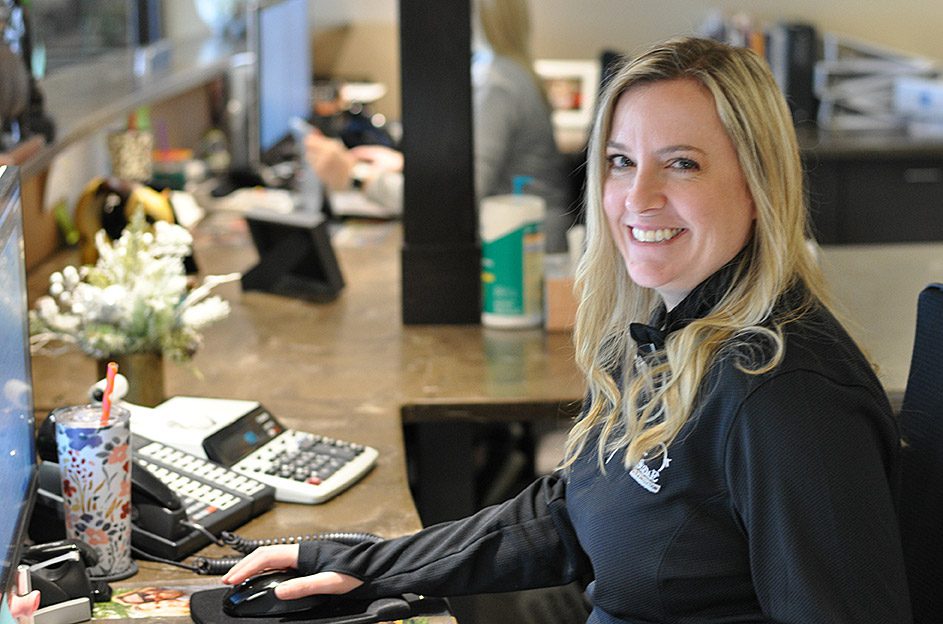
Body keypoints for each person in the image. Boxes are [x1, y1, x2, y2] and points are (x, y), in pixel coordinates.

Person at [224, 37, 913, 623]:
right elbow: (569, 511)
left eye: (681, 163)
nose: (636, 197)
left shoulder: (785, 399)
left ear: (758, 185)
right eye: (619, 161)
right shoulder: (666, 328)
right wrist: (365, 563)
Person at [305, 0, 572, 252]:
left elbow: (452, 202)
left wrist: (354, 175)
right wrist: (405, 164)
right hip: (524, 239)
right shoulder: (507, 69)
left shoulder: (494, 85)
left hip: (520, 253)